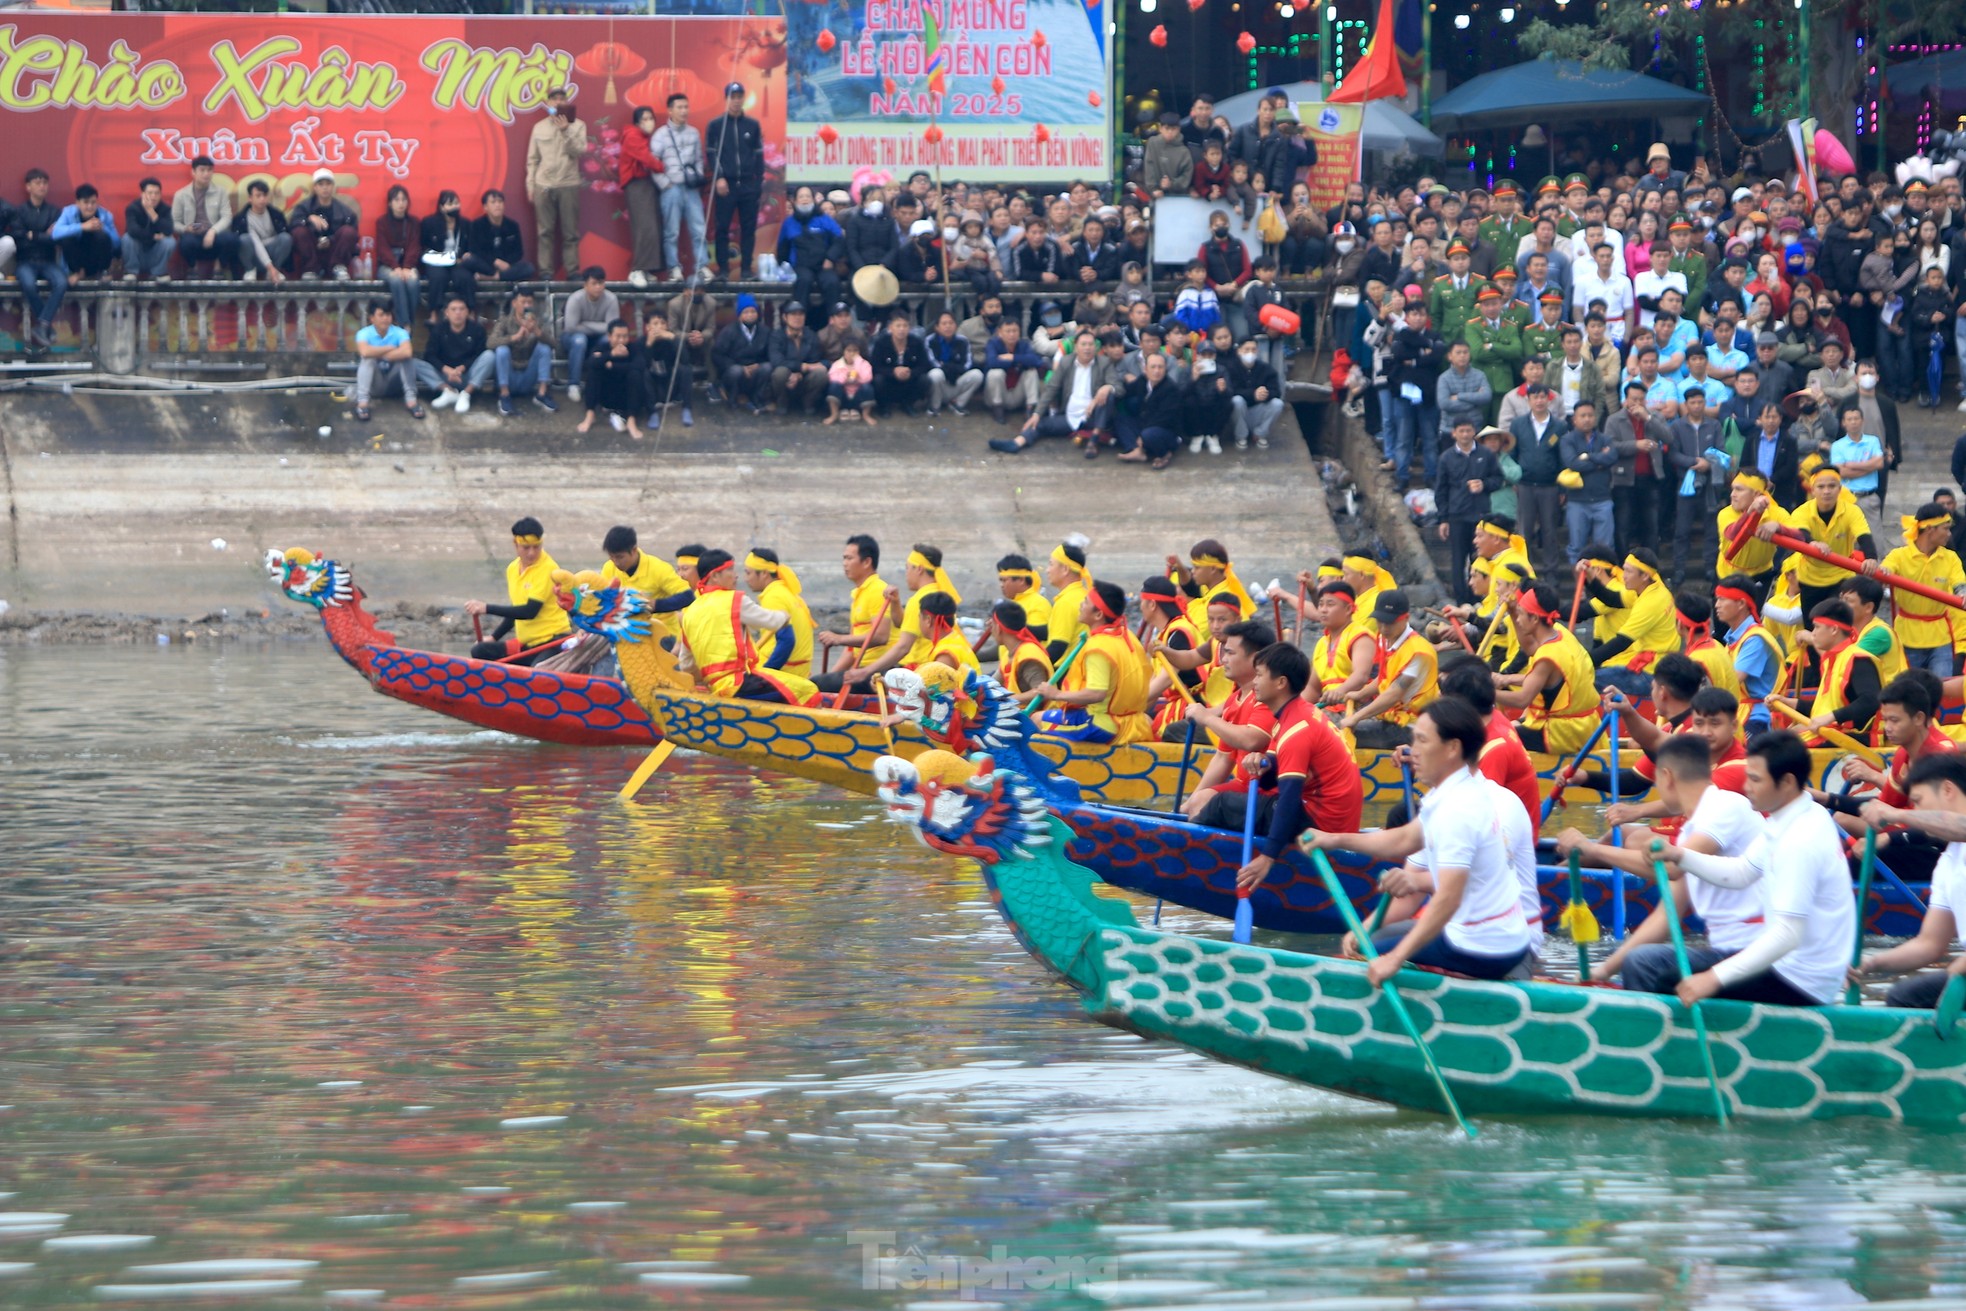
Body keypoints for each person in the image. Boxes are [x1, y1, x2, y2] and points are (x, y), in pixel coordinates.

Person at [1303, 696, 1537, 983]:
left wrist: (1394, 959)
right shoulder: (1454, 790)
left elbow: (1448, 899)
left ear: (1452, 748)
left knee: (1370, 951)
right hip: (1493, 936)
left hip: (1481, 947)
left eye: (1423, 741)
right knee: (1373, 938)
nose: (1412, 752)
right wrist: (1334, 840)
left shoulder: (1458, 811)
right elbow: (1403, 840)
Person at [1655, 730, 1857, 1006]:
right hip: (1801, 968)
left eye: (1755, 779)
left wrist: (1714, 977)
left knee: (1656, 971)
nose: (1746, 786)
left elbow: (1787, 935)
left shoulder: (1800, 840)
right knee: (1665, 968)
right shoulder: (1797, 816)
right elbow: (1741, 872)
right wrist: (1680, 856)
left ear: (1787, 782)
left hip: (1798, 981)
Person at [1563, 734, 1768, 989]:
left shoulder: (1726, 807)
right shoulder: (1691, 830)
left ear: (1667, 776)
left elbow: (1670, 867)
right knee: (1642, 960)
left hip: (1760, 955)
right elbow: (1664, 918)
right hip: (1731, 951)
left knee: (1643, 962)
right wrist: (1602, 971)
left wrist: (1592, 849)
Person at [1201, 643, 1363, 892]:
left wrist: (1268, 857)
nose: (1254, 681)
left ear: (1280, 683)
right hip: (1326, 815)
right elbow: (1270, 781)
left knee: (1221, 804)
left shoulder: (1296, 729)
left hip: (1323, 825)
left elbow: (1288, 797)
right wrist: (1262, 763)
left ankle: (1195, 858)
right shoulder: (1295, 714)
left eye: (1259, 675)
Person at [1855, 753, 1966, 1006]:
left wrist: (1898, 816)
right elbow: (1929, 944)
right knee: (1901, 995)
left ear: (1948, 789)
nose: (1914, 810)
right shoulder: (1947, 863)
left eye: (1918, 801)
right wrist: (1870, 963)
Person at [673, 549, 815, 705]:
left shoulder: (690, 611)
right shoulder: (735, 599)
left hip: (716, 686)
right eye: (730, 570)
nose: (736, 575)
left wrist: (706, 681)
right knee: (809, 691)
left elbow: (686, 664)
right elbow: (773, 622)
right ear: (714, 576)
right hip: (740, 683)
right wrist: (785, 616)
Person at [1175, 620, 1280, 818]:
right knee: (1196, 803)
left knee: (1203, 804)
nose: (1223, 659)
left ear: (1256, 659)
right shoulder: (1235, 698)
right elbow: (1223, 758)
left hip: (1270, 792)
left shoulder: (1267, 696)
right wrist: (1189, 803)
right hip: (1245, 786)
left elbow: (1251, 739)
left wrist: (1206, 717)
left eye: (1231, 653)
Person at [1033, 580, 1152, 744]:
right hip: (1130, 719)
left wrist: (1055, 694)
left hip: (1101, 724)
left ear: (1098, 615)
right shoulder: (1127, 635)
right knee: (1038, 716)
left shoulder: (1099, 647)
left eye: (1086, 602)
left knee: (1033, 724)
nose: (1081, 605)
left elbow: (1096, 693)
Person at [1496, 581, 1600, 754]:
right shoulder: (1560, 633)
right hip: (1583, 725)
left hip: (1563, 733)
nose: (1518, 619)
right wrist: (1514, 611)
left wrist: (1481, 692)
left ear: (1535, 618)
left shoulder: (1546, 657)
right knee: (1513, 725)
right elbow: (1530, 647)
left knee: (1497, 737)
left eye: (1521, 614)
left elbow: (1522, 699)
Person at [465, 518, 573, 665]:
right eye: (526, 547)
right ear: (515, 544)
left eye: (536, 547)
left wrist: (486, 608)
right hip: (527, 645)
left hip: (553, 642)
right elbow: (516, 611)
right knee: (480, 651)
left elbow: (529, 611)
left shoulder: (549, 569)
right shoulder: (512, 569)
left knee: (539, 671)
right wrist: (494, 637)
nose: (531, 553)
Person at [1338, 590, 1438, 748]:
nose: (1384, 628)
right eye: (1380, 621)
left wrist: (1356, 718)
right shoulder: (1386, 639)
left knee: (1337, 735)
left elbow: (1394, 693)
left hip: (1411, 727)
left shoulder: (1418, 652)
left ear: (1406, 618)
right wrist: (1360, 694)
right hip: (1391, 717)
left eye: (1390, 622)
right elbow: (1385, 677)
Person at [1883, 504, 1966, 678]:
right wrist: (1883, 573)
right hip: (1907, 637)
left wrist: (1963, 593)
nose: (1950, 534)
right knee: (1909, 691)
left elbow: (1959, 583)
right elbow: (1885, 571)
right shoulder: (1898, 556)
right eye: (1946, 529)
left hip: (1941, 638)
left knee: (1942, 689)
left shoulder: (1950, 558)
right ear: (1930, 530)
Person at [1592, 548, 1679, 697]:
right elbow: (1612, 599)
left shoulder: (1652, 601)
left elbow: (1621, 642)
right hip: (1649, 665)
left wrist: (1584, 662)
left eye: (1628, 572)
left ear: (1644, 575)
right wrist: (1590, 580)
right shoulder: (1647, 586)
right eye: (1624, 570)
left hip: (1652, 674)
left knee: (1587, 680)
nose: (1623, 576)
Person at [1434, 418, 1502, 601]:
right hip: (1457, 515)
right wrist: (1443, 519)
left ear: (1474, 432)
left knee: (1480, 558)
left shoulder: (1486, 454)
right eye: (1461, 431)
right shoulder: (1446, 458)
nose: (1465, 434)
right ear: (1454, 433)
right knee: (1457, 559)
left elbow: (1498, 479)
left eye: (1468, 430)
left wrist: (1484, 484)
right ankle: (1460, 600)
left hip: (1480, 515)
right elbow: (1441, 490)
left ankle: (1479, 598)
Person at [811, 535, 891, 690]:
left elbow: (881, 637)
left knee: (816, 683)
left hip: (878, 671)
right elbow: (851, 652)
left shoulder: (877, 590)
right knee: (817, 683)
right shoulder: (859, 594)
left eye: (849, 558)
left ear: (867, 562)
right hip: (861, 667)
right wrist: (827, 679)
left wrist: (839, 638)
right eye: (844, 559)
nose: (844, 564)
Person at [705, 81, 765, 280]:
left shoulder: (752, 125)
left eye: (740, 97)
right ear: (726, 99)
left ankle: (746, 269)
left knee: (748, 228)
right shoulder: (715, 125)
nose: (737, 101)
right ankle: (722, 270)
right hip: (726, 185)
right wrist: (719, 177)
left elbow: (759, 155)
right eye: (733, 97)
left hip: (748, 184)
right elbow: (711, 154)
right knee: (722, 228)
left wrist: (758, 183)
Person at [526, 86, 586, 281]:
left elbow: (579, 151)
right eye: (554, 99)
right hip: (543, 184)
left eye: (562, 98)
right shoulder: (539, 127)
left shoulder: (578, 125)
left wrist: (565, 130)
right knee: (544, 232)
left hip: (568, 183)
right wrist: (530, 185)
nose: (558, 102)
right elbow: (532, 159)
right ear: (548, 103)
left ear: (567, 101)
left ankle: (573, 271)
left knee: (570, 232)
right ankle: (545, 272)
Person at [651, 93, 707, 283]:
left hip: (691, 189)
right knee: (671, 231)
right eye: (680, 107)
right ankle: (673, 268)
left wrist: (696, 177)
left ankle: (702, 267)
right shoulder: (660, 135)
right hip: (671, 188)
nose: (684, 111)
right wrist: (665, 184)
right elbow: (653, 163)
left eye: (686, 107)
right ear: (670, 110)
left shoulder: (694, 132)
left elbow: (699, 159)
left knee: (699, 228)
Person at [1714, 577, 1782, 733]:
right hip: (1737, 714)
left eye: (1722, 599)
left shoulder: (1755, 639)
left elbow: (1732, 679)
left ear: (1741, 604)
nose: (1717, 605)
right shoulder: (1733, 637)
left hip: (1756, 717)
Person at [10, 168, 64, 351]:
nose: (42, 186)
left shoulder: (54, 211)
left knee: (61, 282)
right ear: (28, 186)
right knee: (28, 283)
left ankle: (42, 325)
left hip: (48, 261)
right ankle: (45, 324)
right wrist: (41, 236)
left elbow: (56, 237)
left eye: (44, 183)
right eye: (38, 182)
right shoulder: (20, 212)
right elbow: (18, 238)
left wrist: (33, 235)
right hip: (25, 261)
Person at [742, 548, 816, 678]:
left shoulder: (774, 596)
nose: (746, 579)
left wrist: (762, 678)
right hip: (798, 670)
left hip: (786, 672)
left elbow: (786, 642)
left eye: (748, 573)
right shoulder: (784, 591)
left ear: (764, 573)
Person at [486, 287, 558, 416]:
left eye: (529, 302)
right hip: (509, 375)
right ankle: (504, 395)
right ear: (514, 303)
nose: (526, 306)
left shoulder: (538, 322)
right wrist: (514, 337)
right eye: (523, 302)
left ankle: (541, 394)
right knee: (501, 351)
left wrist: (538, 332)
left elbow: (554, 345)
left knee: (544, 348)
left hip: (527, 375)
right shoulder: (505, 321)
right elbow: (490, 343)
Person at [351, 301, 426, 421]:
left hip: (395, 382)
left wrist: (378, 353)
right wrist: (389, 348)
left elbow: (407, 352)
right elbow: (364, 352)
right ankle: (363, 404)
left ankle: (411, 401)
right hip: (374, 385)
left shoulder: (400, 333)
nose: (385, 318)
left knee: (407, 360)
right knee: (368, 360)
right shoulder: (363, 333)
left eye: (388, 315)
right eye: (381, 315)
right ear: (372, 318)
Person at [618, 104, 667, 287]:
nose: (649, 122)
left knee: (652, 226)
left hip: (646, 184)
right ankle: (637, 269)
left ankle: (647, 269)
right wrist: (666, 168)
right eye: (645, 119)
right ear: (637, 122)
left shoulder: (645, 137)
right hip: (636, 184)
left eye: (651, 118)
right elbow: (646, 158)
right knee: (644, 227)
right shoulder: (632, 136)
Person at [776, 184, 845, 314]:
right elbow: (782, 249)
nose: (805, 199)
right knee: (803, 281)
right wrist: (784, 268)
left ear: (814, 200)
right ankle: (799, 320)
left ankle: (834, 319)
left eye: (808, 196)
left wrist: (830, 258)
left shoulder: (824, 219)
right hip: (800, 267)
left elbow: (839, 240)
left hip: (823, 265)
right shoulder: (789, 223)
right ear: (795, 201)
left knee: (832, 282)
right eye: (801, 196)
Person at [575, 319, 647, 438]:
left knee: (635, 374)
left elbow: (640, 365)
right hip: (606, 395)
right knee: (594, 371)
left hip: (626, 396)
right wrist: (611, 354)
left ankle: (631, 420)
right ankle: (590, 414)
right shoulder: (602, 347)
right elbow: (590, 363)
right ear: (609, 336)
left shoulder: (633, 348)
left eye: (625, 336)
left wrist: (613, 365)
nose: (621, 340)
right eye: (618, 336)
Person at [170, 156, 235, 278]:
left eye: (209, 170)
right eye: (202, 170)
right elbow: (174, 222)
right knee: (186, 241)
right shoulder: (181, 195)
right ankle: (192, 269)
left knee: (231, 239)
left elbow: (227, 217)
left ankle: (218, 268)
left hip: (214, 233)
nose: (206, 174)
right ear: (193, 172)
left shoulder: (221, 192)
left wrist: (213, 231)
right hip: (194, 233)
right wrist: (185, 228)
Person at [289, 168, 358, 280]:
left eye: (328, 184)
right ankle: (310, 270)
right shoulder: (304, 207)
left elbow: (353, 233)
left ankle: (338, 267)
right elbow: (293, 225)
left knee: (348, 231)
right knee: (299, 231)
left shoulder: (344, 210)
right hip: (312, 251)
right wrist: (308, 219)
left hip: (334, 252)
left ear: (333, 187)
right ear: (315, 188)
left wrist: (330, 240)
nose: (325, 187)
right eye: (321, 184)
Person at [767, 300, 828, 415]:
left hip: (804, 379)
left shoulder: (811, 335)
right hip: (786, 377)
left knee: (820, 372)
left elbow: (814, 360)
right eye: (793, 314)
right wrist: (800, 367)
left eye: (800, 314)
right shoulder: (776, 335)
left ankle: (808, 403)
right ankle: (782, 403)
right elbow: (776, 361)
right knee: (780, 372)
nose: (797, 317)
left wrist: (800, 374)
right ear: (785, 317)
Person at [462, 189, 535, 286]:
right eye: (493, 202)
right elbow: (474, 249)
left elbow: (519, 252)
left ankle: (493, 277)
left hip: (507, 266)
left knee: (529, 268)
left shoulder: (512, 225)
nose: (497, 205)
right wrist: (494, 261)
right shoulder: (477, 225)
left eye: (500, 202)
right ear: (485, 207)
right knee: (469, 260)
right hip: (486, 264)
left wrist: (506, 263)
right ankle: (497, 275)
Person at [714, 292, 771, 411]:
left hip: (756, 370)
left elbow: (769, 354)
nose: (750, 315)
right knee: (735, 371)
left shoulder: (765, 331)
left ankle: (758, 398)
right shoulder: (729, 331)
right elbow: (717, 355)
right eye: (746, 312)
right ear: (739, 315)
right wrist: (738, 367)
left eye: (753, 312)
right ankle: (732, 399)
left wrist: (757, 365)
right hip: (735, 371)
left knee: (767, 367)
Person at [373, 185, 421, 329]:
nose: (401, 203)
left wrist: (406, 267)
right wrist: (395, 266)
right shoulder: (382, 222)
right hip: (387, 266)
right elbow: (382, 248)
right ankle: (404, 324)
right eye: (397, 200)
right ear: (390, 203)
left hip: (408, 265)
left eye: (404, 200)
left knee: (412, 281)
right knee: (396, 280)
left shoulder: (413, 222)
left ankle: (407, 323)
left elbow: (414, 246)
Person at [418, 189, 472, 312]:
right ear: (442, 207)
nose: (455, 207)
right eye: (450, 204)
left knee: (465, 278)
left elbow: (470, 246)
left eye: (456, 203)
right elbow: (423, 248)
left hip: (458, 262)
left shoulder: (465, 224)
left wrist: (466, 255)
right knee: (438, 278)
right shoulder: (429, 223)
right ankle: (434, 313)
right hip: (437, 261)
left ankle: (469, 311)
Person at [982, 319, 1044, 425]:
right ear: (1000, 333)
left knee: (1031, 371)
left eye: (1015, 331)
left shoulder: (1024, 345)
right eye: (1008, 331)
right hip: (998, 394)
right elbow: (991, 362)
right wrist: (1019, 362)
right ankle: (997, 410)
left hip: (1017, 393)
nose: (1012, 334)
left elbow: (1036, 361)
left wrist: (1013, 357)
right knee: (995, 373)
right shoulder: (992, 343)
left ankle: (1030, 408)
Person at [1227, 336, 1283, 451]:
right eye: (1246, 350)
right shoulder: (1231, 368)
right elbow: (1231, 390)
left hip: (1258, 411)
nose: (1250, 353)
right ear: (1239, 351)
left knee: (1278, 404)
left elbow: (1276, 391)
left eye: (1253, 349)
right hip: (1239, 413)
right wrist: (1252, 394)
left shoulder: (1266, 369)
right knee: (1236, 400)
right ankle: (1241, 436)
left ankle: (1259, 434)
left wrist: (1266, 394)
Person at [870, 311, 931, 416]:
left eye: (905, 326)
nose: (901, 329)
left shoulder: (916, 342)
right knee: (878, 380)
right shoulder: (881, 343)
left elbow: (925, 364)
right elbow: (875, 366)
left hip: (909, 380)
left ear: (909, 328)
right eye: (898, 326)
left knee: (924, 380)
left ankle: (909, 404)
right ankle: (884, 406)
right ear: (890, 328)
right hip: (888, 380)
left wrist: (911, 372)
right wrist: (893, 372)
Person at [51, 184, 116, 281]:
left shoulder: (105, 215)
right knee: (67, 238)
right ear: (77, 203)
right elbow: (55, 233)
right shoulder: (68, 212)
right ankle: (76, 272)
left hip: (95, 260)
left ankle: (103, 272)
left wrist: (103, 228)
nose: (90, 207)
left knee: (102, 236)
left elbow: (117, 244)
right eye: (86, 203)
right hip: (77, 259)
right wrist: (82, 227)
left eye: (93, 202)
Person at [924, 311, 983, 417]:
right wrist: (951, 367)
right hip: (940, 383)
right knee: (935, 374)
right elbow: (932, 362)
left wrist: (946, 366)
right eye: (944, 324)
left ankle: (958, 404)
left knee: (977, 374)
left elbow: (967, 364)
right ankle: (934, 406)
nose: (948, 326)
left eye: (951, 323)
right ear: (937, 327)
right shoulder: (930, 340)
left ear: (955, 325)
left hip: (957, 379)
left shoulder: (963, 341)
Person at [120, 177, 174, 282]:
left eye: (157, 193)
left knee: (170, 241)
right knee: (127, 238)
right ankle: (131, 272)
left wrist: (152, 214)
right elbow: (132, 230)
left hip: (155, 253)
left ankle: (159, 273)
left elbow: (169, 230)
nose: (153, 197)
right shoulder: (133, 208)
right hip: (137, 252)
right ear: (142, 194)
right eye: (150, 193)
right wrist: (152, 236)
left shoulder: (166, 209)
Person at [825, 338, 875, 425]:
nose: (852, 353)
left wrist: (857, 365)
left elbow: (867, 378)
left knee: (867, 387)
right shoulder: (838, 364)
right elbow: (833, 378)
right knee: (834, 386)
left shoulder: (864, 364)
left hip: (857, 396)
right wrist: (845, 377)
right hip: (843, 396)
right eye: (849, 350)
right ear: (844, 352)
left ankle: (866, 415)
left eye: (855, 351)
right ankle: (834, 414)